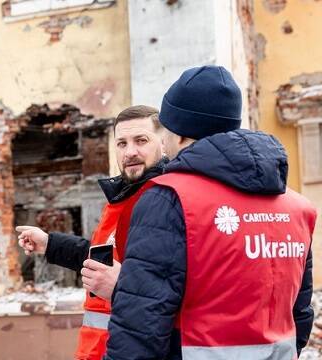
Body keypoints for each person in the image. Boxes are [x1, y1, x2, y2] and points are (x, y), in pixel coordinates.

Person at [106, 66, 316, 360]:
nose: (162, 141)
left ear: (178, 134)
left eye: (163, 130)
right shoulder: (297, 208)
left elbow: (140, 324)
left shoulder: (169, 199)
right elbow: (300, 314)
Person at [17, 105, 166, 360]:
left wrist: (121, 285)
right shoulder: (121, 199)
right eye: (121, 143)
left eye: (141, 140)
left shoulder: (166, 200)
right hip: (98, 350)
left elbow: (174, 289)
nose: (130, 152)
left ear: (164, 143)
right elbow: (102, 259)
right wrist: (50, 244)